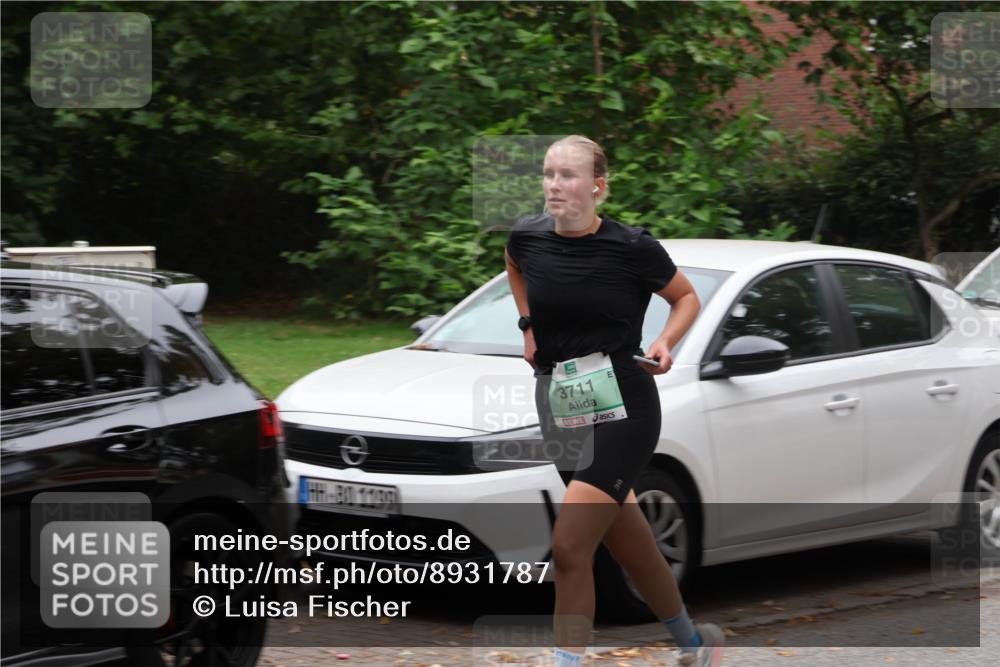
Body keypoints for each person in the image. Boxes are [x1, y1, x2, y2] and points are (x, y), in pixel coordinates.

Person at [504, 135, 724, 667]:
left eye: (569, 175)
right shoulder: (527, 238)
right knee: (634, 547)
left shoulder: (632, 247)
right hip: (560, 401)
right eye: (549, 173)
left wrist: (667, 340)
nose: (555, 185)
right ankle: (696, 647)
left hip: (624, 404)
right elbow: (514, 265)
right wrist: (528, 327)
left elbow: (686, 296)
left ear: (598, 187)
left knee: (570, 547)